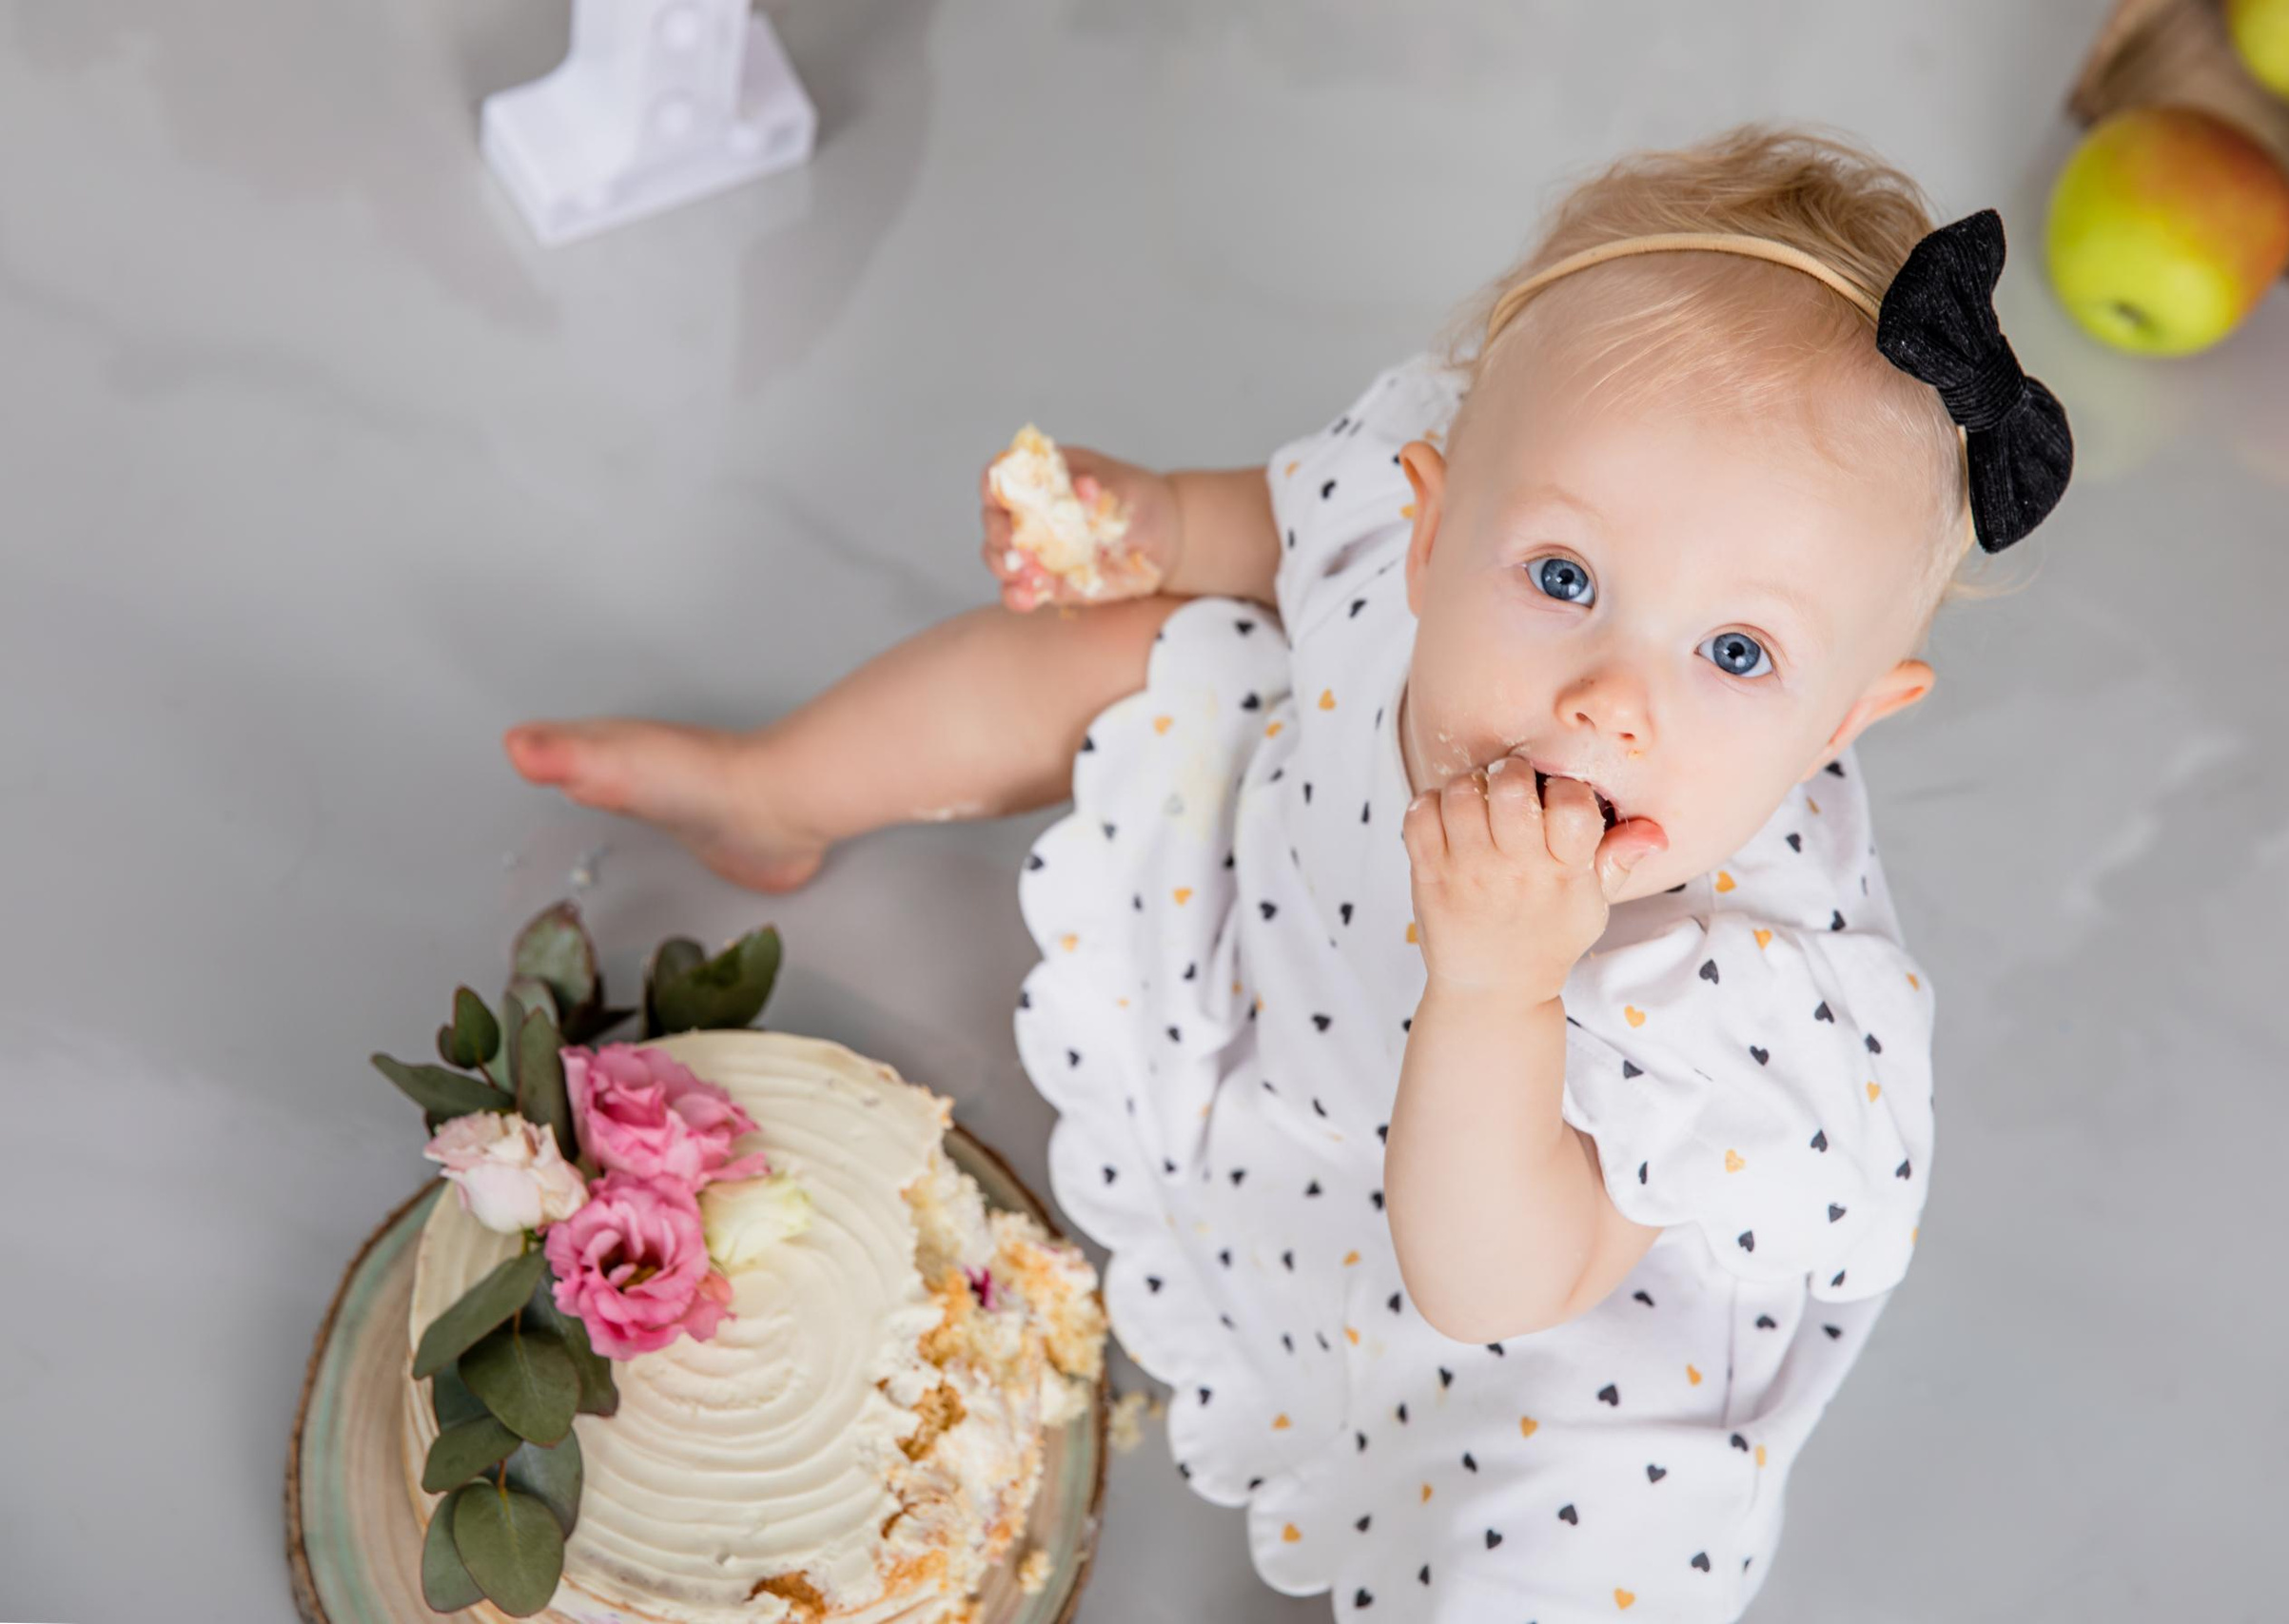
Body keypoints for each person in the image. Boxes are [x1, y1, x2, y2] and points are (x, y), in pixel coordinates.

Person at [502, 125, 2071, 1620]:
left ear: (1850, 722)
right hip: (1282, 952)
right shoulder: (1400, 565)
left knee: (1585, 1563)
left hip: (1517, 1321)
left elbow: (1494, 1281)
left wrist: (1502, 986)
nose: (1610, 696)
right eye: (1563, 575)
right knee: (1143, 659)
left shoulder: (1732, 997)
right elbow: (1280, 531)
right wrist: (1160, 519)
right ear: (1435, 524)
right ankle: (774, 788)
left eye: (1738, 654)